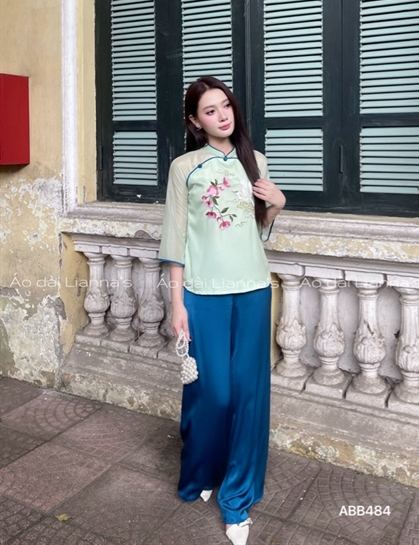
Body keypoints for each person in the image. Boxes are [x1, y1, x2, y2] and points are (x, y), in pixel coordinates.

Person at [158, 76, 286, 545]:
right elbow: (175, 238)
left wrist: (277, 205)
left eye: (225, 105)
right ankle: (202, 470)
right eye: (210, 110)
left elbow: (257, 230)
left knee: (248, 395)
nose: (222, 115)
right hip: (201, 292)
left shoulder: (257, 161)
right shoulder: (184, 167)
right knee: (211, 393)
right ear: (195, 121)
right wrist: (177, 303)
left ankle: (237, 498)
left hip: (253, 289)